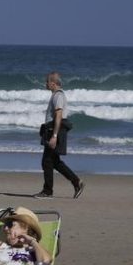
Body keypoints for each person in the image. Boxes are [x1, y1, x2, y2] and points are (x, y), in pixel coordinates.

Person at [34, 71, 85, 199]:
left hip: (55, 131)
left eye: (47, 81)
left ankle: (48, 191)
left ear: (53, 83)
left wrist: (54, 136)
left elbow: (58, 115)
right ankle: (76, 182)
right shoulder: (56, 95)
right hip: (52, 130)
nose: (45, 84)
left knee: (47, 161)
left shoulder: (58, 96)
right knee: (54, 162)